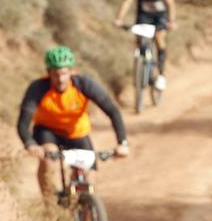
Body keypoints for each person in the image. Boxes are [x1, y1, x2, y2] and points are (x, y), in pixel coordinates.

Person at [16, 46, 129, 203]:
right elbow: (23, 122)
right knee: (49, 159)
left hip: (77, 133)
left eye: (64, 73)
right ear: (48, 73)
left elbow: (112, 111)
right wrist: (30, 144)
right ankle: (50, 207)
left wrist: (122, 143)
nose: (60, 78)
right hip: (47, 131)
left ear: (71, 71)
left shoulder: (83, 84)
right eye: (55, 74)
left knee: (91, 180)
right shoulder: (38, 88)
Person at [114, 0, 176, 90]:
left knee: (159, 37)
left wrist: (171, 21)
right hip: (144, 16)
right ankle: (141, 66)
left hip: (160, 17)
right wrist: (119, 19)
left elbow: (170, 3)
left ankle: (161, 74)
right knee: (139, 39)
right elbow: (127, 0)